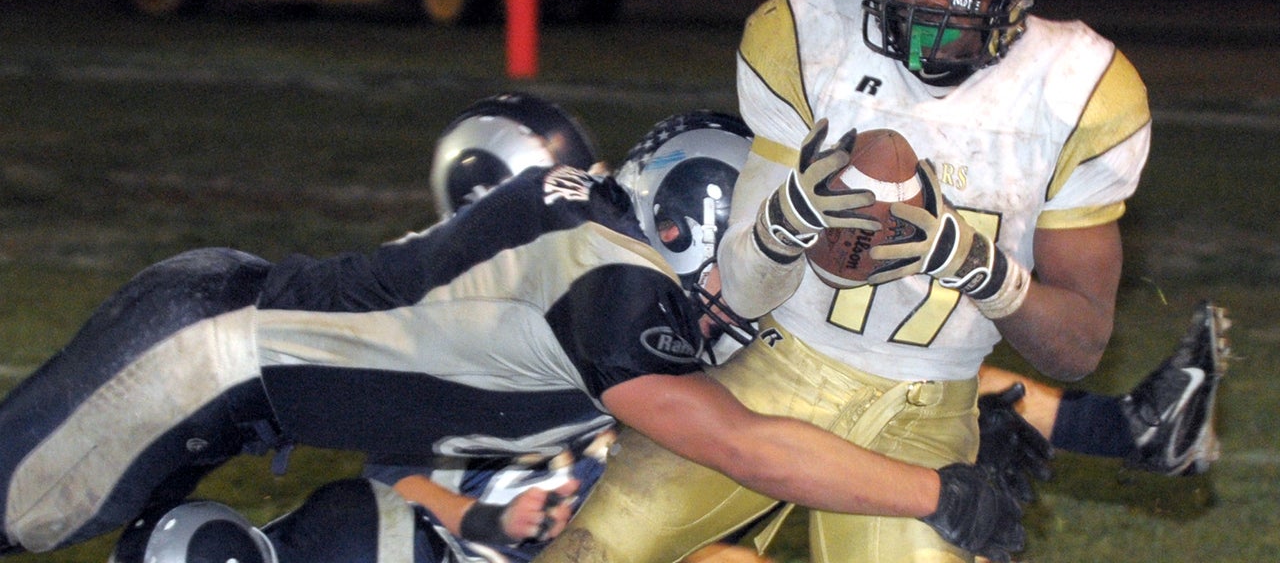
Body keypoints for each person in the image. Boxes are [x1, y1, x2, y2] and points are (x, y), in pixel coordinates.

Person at [0, 100, 1029, 561]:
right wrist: (935, 491)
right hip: (206, 356)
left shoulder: (605, 245)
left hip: (242, 366)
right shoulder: (608, 274)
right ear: (689, 216)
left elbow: (784, 399)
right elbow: (737, 442)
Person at [538, 0, 1162, 563]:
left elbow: (1075, 348)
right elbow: (744, 290)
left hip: (931, 408)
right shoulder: (814, 38)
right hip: (779, 369)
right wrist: (790, 219)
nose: (929, 7)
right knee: (591, 553)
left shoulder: (1075, 90)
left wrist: (980, 269)